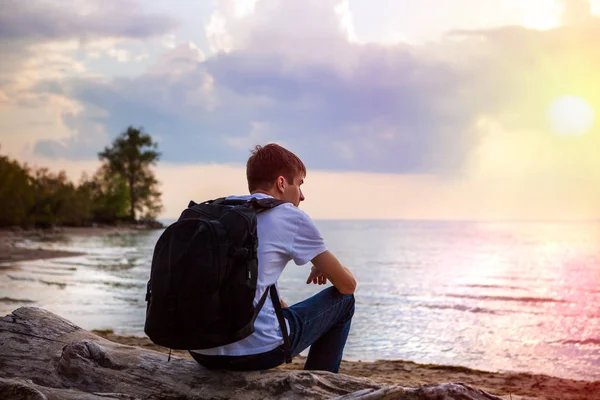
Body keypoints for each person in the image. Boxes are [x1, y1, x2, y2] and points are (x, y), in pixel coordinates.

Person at [189, 143, 357, 373]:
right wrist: (332, 268)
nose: (303, 195)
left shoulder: (222, 211)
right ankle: (320, 382)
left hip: (200, 350)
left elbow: (246, 287)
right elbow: (347, 286)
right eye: (299, 184)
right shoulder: (289, 215)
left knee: (282, 310)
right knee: (345, 302)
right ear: (281, 183)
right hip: (256, 353)